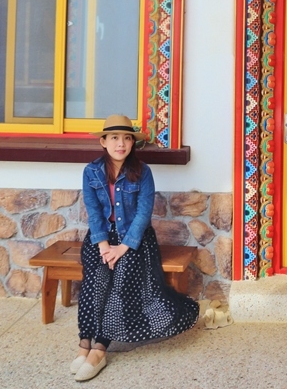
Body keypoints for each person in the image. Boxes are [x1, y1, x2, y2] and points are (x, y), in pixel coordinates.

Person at [72, 114, 200, 381]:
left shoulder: (143, 172)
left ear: (132, 143)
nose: (121, 143)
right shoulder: (91, 171)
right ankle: (84, 343)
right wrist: (106, 246)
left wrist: (122, 248)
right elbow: (94, 213)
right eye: (115, 138)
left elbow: (143, 215)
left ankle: (99, 349)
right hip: (102, 237)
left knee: (119, 280)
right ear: (103, 141)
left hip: (136, 240)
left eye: (127, 138)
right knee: (94, 280)